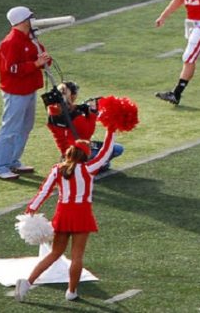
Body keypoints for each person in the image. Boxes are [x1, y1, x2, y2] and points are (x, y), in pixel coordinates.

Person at [15, 129, 118, 302]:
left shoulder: (57, 170)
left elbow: (44, 191)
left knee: (55, 253)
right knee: (77, 257)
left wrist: (31, 208)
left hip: (63, 213)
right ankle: (71, 291)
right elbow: (106, 151)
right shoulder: (89, 168)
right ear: (85, 155)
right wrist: (111, 130)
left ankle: (27, 283)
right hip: (82, 213)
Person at [0, 6, 48, 181]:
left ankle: (12, 161)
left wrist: (44, 59)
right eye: (31, 18)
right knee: (10, 129)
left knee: (24, 127)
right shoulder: (11, 42)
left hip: (28, 88)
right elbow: (12, 68)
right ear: (23, 21)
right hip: (16, 91)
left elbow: (40, 56)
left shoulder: (29, 39)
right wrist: (36, 64)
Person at [43, 82, 124, 171]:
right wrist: (92, 113)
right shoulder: (76, 117)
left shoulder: (52, 115)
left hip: (67, 152)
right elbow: (87, 134)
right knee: (117, 148)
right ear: (72, 96)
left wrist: (82, 108)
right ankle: (90, 166)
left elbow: (67, 110)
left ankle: (69, 162)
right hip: (79, 152)